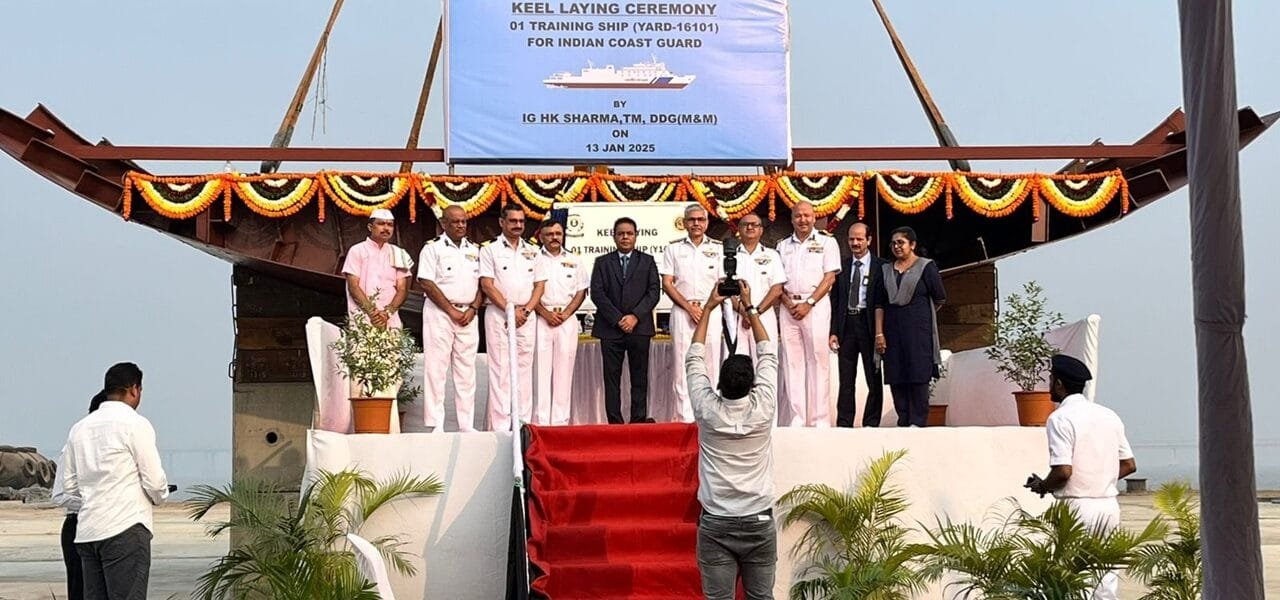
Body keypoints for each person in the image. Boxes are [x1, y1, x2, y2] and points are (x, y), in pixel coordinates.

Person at [687, 279, 778, 600]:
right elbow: (768, 353)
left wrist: (709, 308)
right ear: (752, 384)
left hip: (717, 522)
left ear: (719, 385)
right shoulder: (764, 407)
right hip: (758, 519)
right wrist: (750, 307)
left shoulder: (707, 409)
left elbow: (694, 358)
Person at [1025, 354, 1136, 600]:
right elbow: (1129, 465)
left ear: (1059, 384)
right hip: (1108, 506)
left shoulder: (1060, 418)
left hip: (1077, 508)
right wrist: (1100, 477)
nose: (1049, 385)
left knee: (1075, 580)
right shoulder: (1108, 415)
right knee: (1105, 580)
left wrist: (1043, 485)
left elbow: (1063, 472)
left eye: (1051, 379)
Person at [61, 363, 170, 600]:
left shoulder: (79, 429)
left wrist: (93, 500)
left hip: (88, 532)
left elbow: (67, 487)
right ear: (134, 389)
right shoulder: (135, 424)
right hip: (125, 528)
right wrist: (160, 497)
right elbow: (154, 481)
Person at [479, 204, 548, 431]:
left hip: (526, 315)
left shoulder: (534, 251)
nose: (518, 225)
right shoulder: (489, 250)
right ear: (502, 222)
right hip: (500, 314)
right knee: (500, 370)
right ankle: (500, 427)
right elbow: (487, 285)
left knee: (524, 370)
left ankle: (522, 424)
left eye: (521, 221)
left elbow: (539, 286)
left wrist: (525, 311)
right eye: (513, 221)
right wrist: (510, 310)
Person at [417, 205, 484, 432]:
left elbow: (484, 283)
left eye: (464, 221)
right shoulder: (432, 248)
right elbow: (426, 282)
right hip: (440, 313)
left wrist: (473, 308)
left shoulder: (475, 250)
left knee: (466, 371)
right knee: (436, 368)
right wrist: (451, 310)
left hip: (469, 314)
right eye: (455, 221)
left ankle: (466, 424)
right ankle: (436, 423)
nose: (461, 225)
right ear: (443, 223)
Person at [589, 217, 661, 424]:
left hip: (639, 328)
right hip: (610, 329)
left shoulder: (647, 261)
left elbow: (653, 292)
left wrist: (635, 316)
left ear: (636, 236)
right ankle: (615, 422)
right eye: (621, 233)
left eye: (629, 233)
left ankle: (638, 421)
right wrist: (618, 318)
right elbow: (597, 293)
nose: (625, 237)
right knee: (612, 379)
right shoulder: (602, 262)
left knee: (639, 377)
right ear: (614, 236)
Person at [776, 201, 842, 427]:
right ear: (791, 219)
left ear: (814, 218)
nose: (802, 220)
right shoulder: (782, 245)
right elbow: (777, 280)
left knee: (817, 361)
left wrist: (809, 303)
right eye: (798, 216)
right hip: (788, 306)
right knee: (792, 362)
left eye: (807, 215)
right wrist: (788, 303)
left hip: (816, 305)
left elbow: (830, 278)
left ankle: (819, 419)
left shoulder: (827, 242)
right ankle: (797, 417)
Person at [874, 226, 946, 427]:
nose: (896, 247)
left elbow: (939, 298)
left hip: (919, 333)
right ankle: (903, 420)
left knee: (918, 375)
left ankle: (918, 421)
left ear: (912, 244)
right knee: (896, 376)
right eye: (893, 243)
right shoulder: (886, 270)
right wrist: (879, 333)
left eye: (901, 242)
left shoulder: (926, 267)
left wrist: (918, 316)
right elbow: (879, 304)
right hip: (892, 332)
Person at [661, 204, 724, 422]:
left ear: (706, 223)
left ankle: (709, 417)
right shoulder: (673, 249)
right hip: (683, 310)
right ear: (684, 223)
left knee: (711, 364)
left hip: (711, 311)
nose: (696, 223)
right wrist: (690, 308)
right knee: (682, 365)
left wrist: (706, 309)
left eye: (700, 219)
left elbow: (722, 283)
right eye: (691, 220)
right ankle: (684, 419)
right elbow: (667, 283)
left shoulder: (718, 249)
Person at [829, 223, 887, 427]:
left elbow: (883, 302)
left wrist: (881, 332)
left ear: (869, 240)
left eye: (860, 239)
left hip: (870, 324)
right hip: (847, 325)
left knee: (874, 376)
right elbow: (835, 302)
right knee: (846, 379)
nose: (855, 243)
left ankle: (871, 422)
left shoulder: (882, 266)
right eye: (852, 239)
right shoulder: (841, 267)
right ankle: (844, 422)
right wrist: (833, 331)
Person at [52, 391, 108, 600]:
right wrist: (94, 502)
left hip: (109, 525)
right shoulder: (73, 446)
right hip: (78, 525)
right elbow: (60, 495)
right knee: (80, 591)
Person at [533, 219, 589, 425]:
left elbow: (581, 291)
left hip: (566, 319)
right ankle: (540, 421)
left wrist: (565, 314)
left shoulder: (574, 260)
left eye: (558, 233)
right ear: (541, 237)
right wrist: (544, 313)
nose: (554, 237)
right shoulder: (534, 258)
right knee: (540, 371)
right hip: (541, 318)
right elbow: (529, 290)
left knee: (564, 371)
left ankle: (560, 422)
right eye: (549, 234)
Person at [341, 208, 413, 329]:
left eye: (390, 225)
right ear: (370, 227)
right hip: (363, 316)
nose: (386, 228)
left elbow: (402, 289)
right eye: (381, 224)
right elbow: (353, 286)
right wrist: (372, 313)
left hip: (390, 318)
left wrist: (387, 313)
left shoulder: (398, 253)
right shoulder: (357, 250)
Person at [729, 213, 786, 363]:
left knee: (765, 361)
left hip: (764, 316)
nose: (750, 227)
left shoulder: (772, 255)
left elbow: (777, 289)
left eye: (754, 224)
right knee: (738, 365)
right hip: (737, 317)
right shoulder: (729, 256)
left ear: (761, 230)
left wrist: (754, 313)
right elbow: (727, 290)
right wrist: (744, 312)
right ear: (738, 229)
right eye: (745, 224)